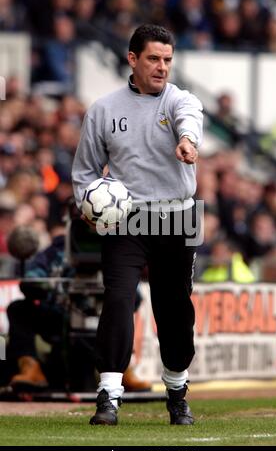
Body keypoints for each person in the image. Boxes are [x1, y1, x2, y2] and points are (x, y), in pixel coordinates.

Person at [72, 24, 203, 426]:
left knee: (174, 310)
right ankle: (109, 395)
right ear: (132, 59)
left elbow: (189, 117)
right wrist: (88, 207)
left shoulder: (180, 100)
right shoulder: (104, 110)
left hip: (178, 217)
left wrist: (188, 141)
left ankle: (177, 390)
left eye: (167, 60)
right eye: (153, 59)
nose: (162, 67)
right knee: (118, 299)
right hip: (125, 219)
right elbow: (84, 172)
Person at [5, 223, 151, 394]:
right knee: (18, 308)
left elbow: (136, 297)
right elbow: (32, 278)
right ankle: (30, 368)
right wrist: (48, 288)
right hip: (60, 316)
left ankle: (123, 370)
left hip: (102, 321)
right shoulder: (58, 248)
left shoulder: (119, 247)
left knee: (121, 313)